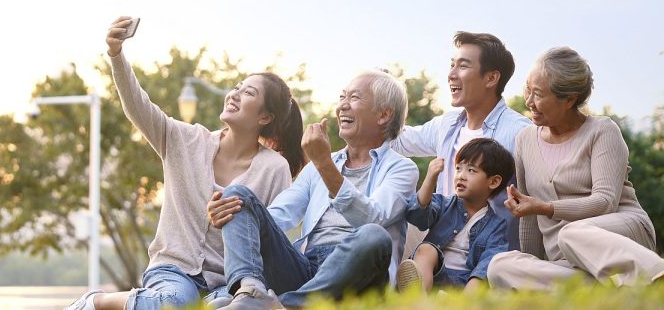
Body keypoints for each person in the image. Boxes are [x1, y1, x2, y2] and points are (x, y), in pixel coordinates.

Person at [65, 16, 306, 310]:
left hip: (226, 283)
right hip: (172, 271)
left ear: (264, 118)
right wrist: (117, 56)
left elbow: (276, 239)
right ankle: (97, 302)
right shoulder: (185, 139)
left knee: (225, 307)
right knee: (175, 302)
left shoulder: (274, 169)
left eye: (249, 93)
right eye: (238, 87)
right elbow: (138, 107)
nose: (235, 94)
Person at [206, 69, 419, 309]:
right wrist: (241, 214)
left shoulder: (402, 169)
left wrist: (324, 164)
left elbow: (372, 217)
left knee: (374, 235)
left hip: (359, 275)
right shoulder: (318, 166)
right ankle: (249, 292)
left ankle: (281, 305)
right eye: (342, 97)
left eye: (354, 98)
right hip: (307, 268)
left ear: (383, 115)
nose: (342, 107)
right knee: (238, 195)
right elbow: (278, 215)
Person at [487, 47, 664, 290]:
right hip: (566, 258)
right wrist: (532, 262)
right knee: (500, 266)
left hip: (619, 234)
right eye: (528, 90)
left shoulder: (602, 131)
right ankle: (597, 288)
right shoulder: (525, 140)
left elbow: (605, 202)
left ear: (569, 99)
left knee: (571, 233)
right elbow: (529, 220)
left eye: (538, 94)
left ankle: (656, 273)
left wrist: (546, 207)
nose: (529, 102)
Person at [391, 32, 531, 255]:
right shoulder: (448, 124)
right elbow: (397, 141)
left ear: (491, 78)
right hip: (443, 238)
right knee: (392, 219)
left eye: (463, 66)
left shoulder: (520, 132)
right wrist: (378, 101)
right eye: (452, 65)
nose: (451, 75)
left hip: (488, 249)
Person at [397, 138, 513, 293]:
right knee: (426, 250)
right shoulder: (444, 204)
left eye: (471, 170)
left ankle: (462, 303)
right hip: (432, 274)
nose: (461, 176)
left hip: (466, 282)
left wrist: (474, 284)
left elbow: (489, 260)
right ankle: (419, 299)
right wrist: (430, 178)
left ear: (493, 182)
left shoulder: (496, 225)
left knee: (485, 270)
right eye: (458, 168)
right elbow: (417, 216)